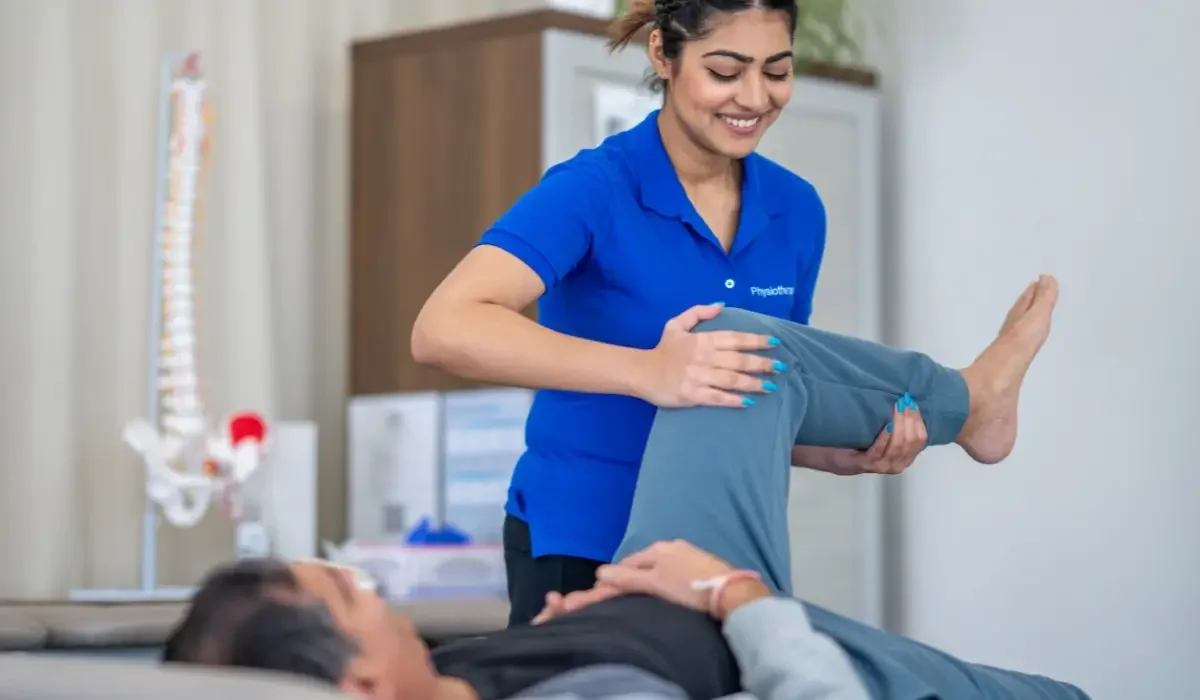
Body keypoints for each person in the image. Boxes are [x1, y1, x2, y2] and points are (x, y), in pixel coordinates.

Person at [164, 277, 1088, 699]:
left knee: (730, 350)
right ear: (359, 684)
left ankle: (972, 405)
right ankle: (973, 403)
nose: (370, 588)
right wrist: (731, 596)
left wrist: (575, 628)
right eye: (348, 594)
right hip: (721, 606)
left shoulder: (434, 678)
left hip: (654, 580)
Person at [411, 0, 927, 627]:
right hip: (588, 544)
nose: (755, 97)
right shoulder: (595, 188)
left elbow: (758, 387)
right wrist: (648, 371)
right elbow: (444, 327)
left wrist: (830, 452)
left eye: (776, 71)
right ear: (663, 54)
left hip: (725, 550)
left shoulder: (796, 209)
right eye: (725, 71)